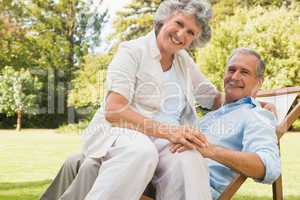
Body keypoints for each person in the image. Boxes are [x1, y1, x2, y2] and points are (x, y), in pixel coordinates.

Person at [41, 0, 220, 200]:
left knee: (190, 158)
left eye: (191, 32)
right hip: (123, 130)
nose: (182, 34)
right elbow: (115, 111)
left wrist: (251, 96)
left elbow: (212, 98)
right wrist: (171, 132)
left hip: (166, 140)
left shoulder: (184, 61)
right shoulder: (132, 51)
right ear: (165, 18)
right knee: (141, 151)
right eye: (179, 24)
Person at [169, 48, 281, 199]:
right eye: (231, 70)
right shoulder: (219, 112)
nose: (235, 76)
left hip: (191, 186)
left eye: (244, 72)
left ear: (259, 82)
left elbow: (268, 167)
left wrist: (209, 149)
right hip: (171, 171)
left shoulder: (256, 115)